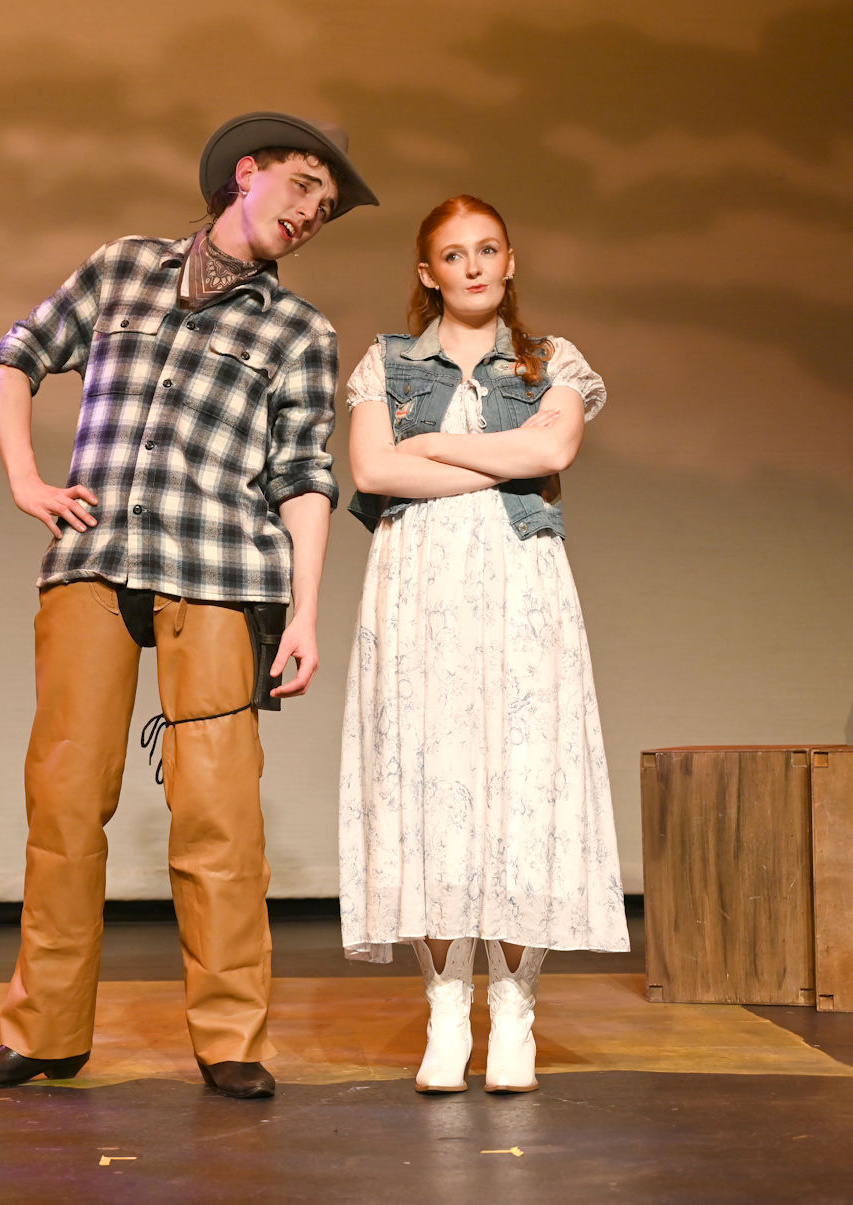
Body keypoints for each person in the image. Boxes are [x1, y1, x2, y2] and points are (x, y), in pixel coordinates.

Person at [0, 112, 377, 1100]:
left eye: (328, 205)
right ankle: (43, 1031)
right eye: (303, 185)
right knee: (62, 798)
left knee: (217, 810)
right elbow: (13, 355)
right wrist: (24, 478)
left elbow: (305, 477)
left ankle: (230, 1038)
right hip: (94, 560)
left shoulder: (297, 331)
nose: (313, 212)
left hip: (220, 572)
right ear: (246, 172)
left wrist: (305, 613)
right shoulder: (124, 268)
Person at [338, 194, 627, 1095]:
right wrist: (498, 451)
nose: (472, 265)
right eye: (453, 254)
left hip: (517, 579)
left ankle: (512, 1009)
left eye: (487, 249)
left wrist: (431, 444)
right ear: (427, 273)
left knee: (521, 780)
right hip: (416, 583)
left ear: (509, 261)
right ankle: (443, 1008)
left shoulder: (552, 360)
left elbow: (552, 457)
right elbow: (372, 471)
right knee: (429, 782)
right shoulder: (385, 363)